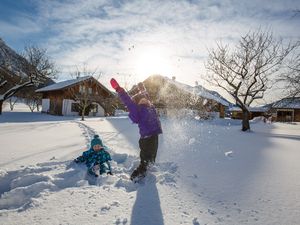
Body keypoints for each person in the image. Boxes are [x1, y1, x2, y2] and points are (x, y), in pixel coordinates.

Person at [110, 78, 162, 181]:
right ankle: (136, 176)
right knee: (145, 160)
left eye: (145, 99)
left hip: (154, 135)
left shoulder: (149, 105)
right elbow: (127, 101)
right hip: (146, 138)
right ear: (138, 102)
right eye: (141, 99)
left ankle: (147, 168)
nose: (144, 100)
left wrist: (142, 88)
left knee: (152, 157)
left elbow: (145, 94)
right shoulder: (137, 109)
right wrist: (119, 89)